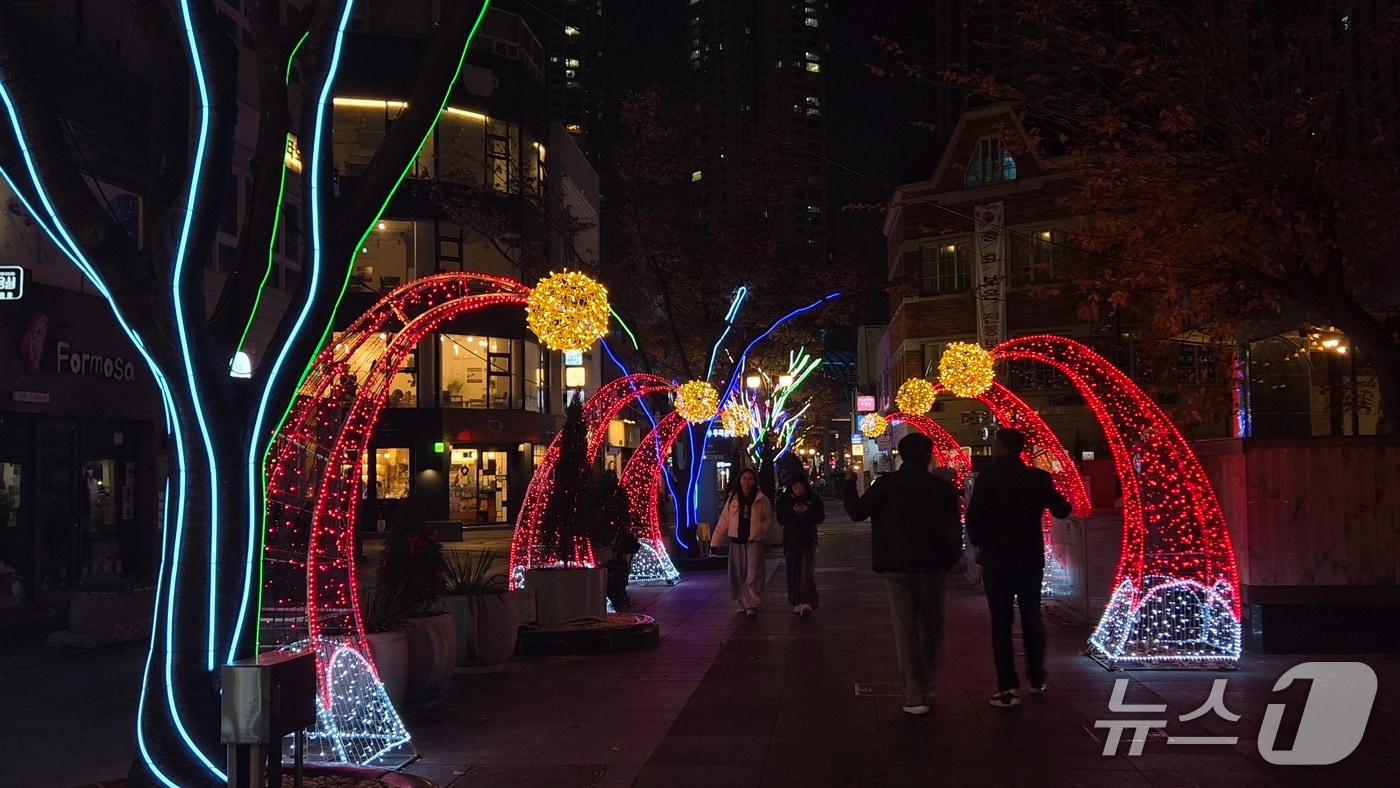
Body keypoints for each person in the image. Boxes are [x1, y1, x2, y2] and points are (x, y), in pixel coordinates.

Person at [843, 432, 963, 715]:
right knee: (931, 627)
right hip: (933, 566)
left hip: (896, 566)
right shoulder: (941, 488)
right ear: (927, 456)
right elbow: (954, 529)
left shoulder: (886, 485)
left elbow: (858, 512)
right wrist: (951, 558)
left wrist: (849, 485)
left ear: (900, 455)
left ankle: (915, 694)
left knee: (905, 630)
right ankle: (929, 682)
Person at [965, 427, 1072, 709]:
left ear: (1001, 447)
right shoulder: (1037, 478)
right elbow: (1062, 509)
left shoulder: (988, 477)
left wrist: (981, 544)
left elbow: (974, 518)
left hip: (996, 559)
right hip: (1029, 557)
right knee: (1031, 617)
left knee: (1001, 623)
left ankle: (1008, 687)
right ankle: (1037, 678)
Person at [710, 467, 775, 617]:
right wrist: (716, 541)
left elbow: (768, 519)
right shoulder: (732, 499)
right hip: (737, 542)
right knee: (738, 574)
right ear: (739, 480)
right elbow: (724, 521)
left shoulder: (761, 499)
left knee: (753, 574)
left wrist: (761, 529)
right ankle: (740, 602)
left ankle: (751, 603)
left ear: (755, 481)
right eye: (744, 478)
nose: (747, 481)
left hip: (754, 541)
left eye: (750, 478)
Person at [775, 475, 824, 616]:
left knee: (806, 571)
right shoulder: (785, 500)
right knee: (793, 571)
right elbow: (781, 519)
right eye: (795, 487)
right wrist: (793, 512)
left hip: (808, 540)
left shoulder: (813, 499)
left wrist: (807, 511)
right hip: (791, 540)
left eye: (800, 487)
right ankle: (797, 601)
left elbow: (820, 517)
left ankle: (807, 601)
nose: (798, 490)